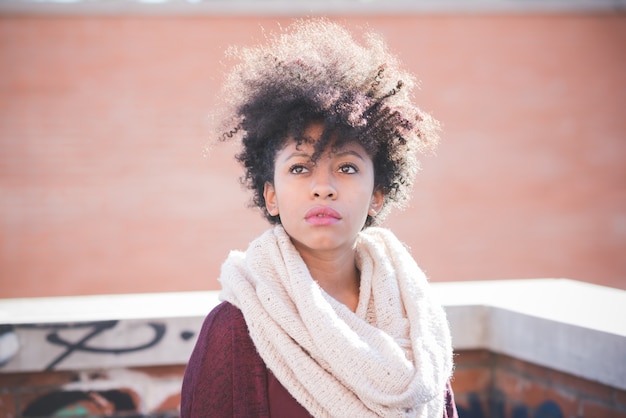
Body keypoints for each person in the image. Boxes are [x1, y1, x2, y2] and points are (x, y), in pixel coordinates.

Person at [181, 18, 457, 418]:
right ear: (271, 195)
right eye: (300, 168)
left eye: (346, 168)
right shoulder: (236, 328)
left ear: (377, 195)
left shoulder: (417, 320)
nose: (323, 187)